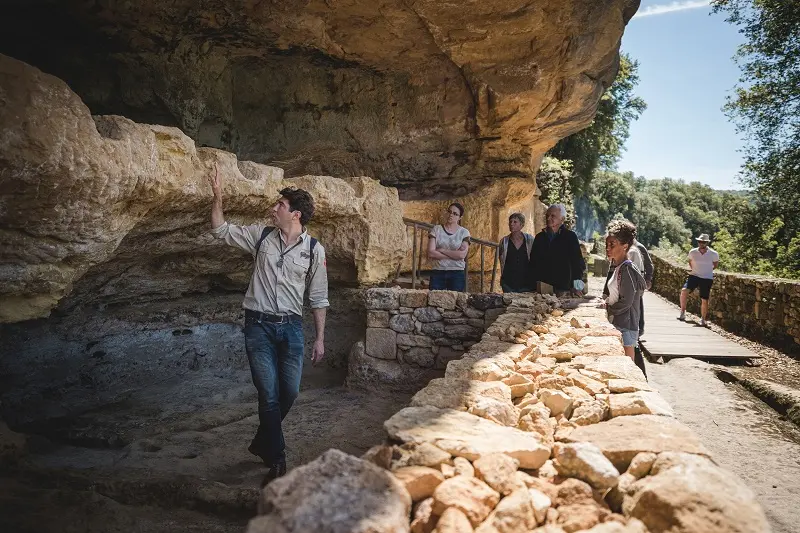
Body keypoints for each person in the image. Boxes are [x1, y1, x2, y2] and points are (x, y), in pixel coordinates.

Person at [208, 164, 329, 484]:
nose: (274, 208)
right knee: (269, 394)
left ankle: (263, 442)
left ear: (296, 215)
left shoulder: (315, 251)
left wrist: (319, 339)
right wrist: (217, 196)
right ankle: (277, 458)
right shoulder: (260, 236)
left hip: (291, 328)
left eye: (281, 205)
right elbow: (220, 229)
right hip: (257, 326)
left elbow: (318, 298)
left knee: (289, 392)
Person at [603, 220, 647, 375]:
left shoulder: (627, 269)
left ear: (625, 246)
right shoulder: (619, 267)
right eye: (607, 244)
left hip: (625, 326)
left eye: (612, 245)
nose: (608, 249)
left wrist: (608, 309)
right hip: (621, 323)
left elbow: (627, 302)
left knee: (628, 372)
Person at [530, 204, 586, 294]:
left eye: (553, 216)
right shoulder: (539, 237)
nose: (548, 218)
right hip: (542, 288)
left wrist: (577, 286)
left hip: (563, 288)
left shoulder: (570, 237)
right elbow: (533, 262)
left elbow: (577, 262)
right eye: (547, 215)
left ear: (562, 219)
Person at [678, 233, 719, 327]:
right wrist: (695, 270)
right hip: (694, 275)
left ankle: (703, 319)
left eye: (703, 242)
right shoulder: (693, 252)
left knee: (704, 299)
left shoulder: (714, 254)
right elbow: (690, 261)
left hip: (706, 278)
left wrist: (706, 271)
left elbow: (715, 265)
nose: (701, 243)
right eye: (700, 241)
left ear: (707, 243)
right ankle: (682, 312)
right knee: (684, 291)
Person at [427, 203, 470, 291]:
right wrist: (454, 254)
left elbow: (461, 255)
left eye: (455, 214)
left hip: (457, 273)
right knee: (434, 301)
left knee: (455, 302)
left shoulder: (464, 232)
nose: (451, 215)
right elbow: (431, 253)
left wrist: (441, 250)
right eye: (449, 212)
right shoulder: (436, 229)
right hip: (438, 271)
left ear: (460, 217)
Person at [498, 212, 535, 293]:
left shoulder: (530, 240)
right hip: (508, 283)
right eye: (510, 222)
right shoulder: (504, 241)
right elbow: (501, 259)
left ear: (521, 225)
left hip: (526, 282)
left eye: (515, 222)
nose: (511, 224)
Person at [634, 239, 654, 337]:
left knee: (638, 303)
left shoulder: (639, 247)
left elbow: (649, 264)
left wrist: (648, 279)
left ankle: (640, 328)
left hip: (638, 281)